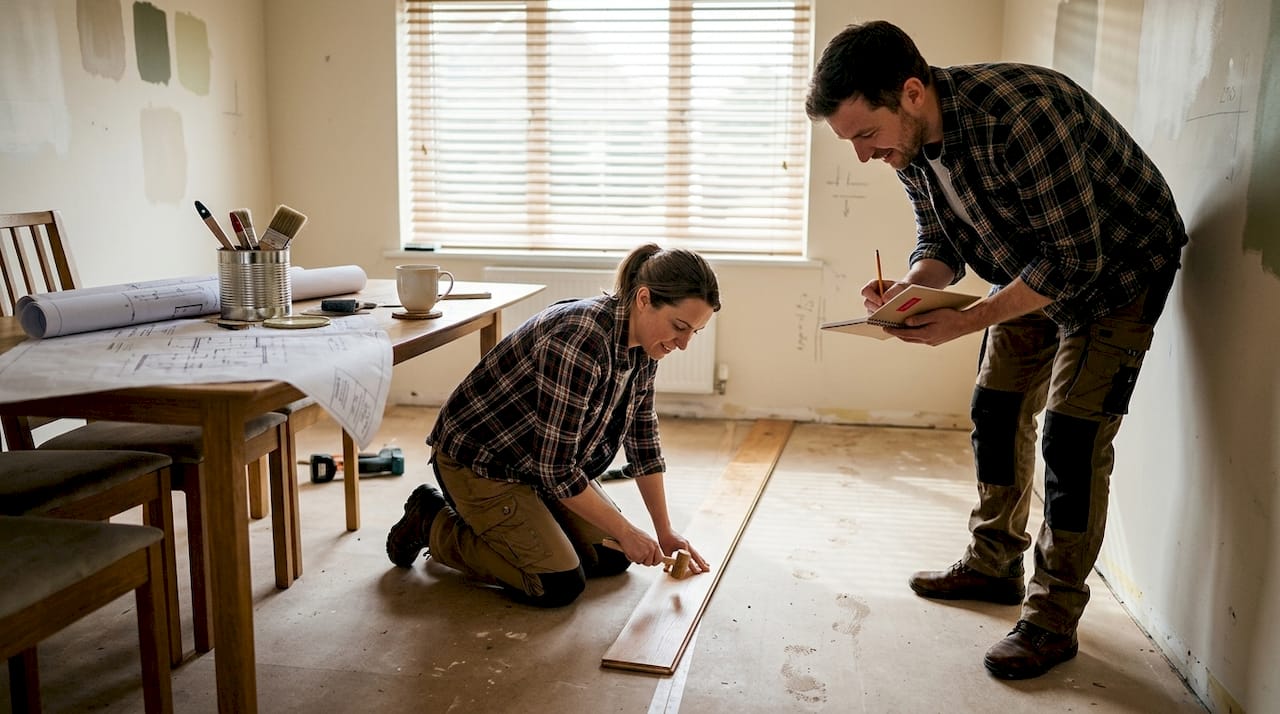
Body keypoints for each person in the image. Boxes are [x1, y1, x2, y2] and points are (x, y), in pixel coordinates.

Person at [805, 20, 1186, 679]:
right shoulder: (909, 147)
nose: (864, 155)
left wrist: (969, 319)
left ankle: (1052, 619)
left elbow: (1075, 260)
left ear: (912, 93)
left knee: (1072, 439)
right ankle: (993, 564)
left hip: (1118, 275)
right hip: (1031, 267)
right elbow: (940, 241)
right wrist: (912, 290)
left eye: (866, 135)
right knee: (996, 409)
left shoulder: (1022, 116)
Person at [386, 244, 719, 608]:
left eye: (695, 332)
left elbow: (643, 441)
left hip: (536, 464)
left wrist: (664, 531)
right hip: (481, 463)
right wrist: (627, 530)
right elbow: (556, 469)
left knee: (612, 555)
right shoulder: (580, 340)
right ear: (644, 299)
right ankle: (431, 521)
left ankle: (535, 525)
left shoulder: (645, 346)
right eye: (679, 327)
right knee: (557, 583)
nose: (683, 344)